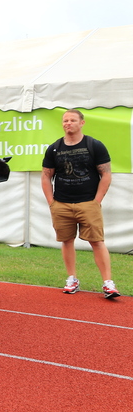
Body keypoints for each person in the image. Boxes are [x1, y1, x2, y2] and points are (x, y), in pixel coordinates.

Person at [41, 109, 119, 298]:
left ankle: (108, 283)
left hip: (88, 203)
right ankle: (72, 279)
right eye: (65, 120)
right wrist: (52, 202)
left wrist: (97, 201)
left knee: (97, 241)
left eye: (72, 120)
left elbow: (106, 174)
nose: (68, 123)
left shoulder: (94, 145)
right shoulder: (54, 148)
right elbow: (46, 176)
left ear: (82, 123)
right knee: (67, 241)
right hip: (61, 204)